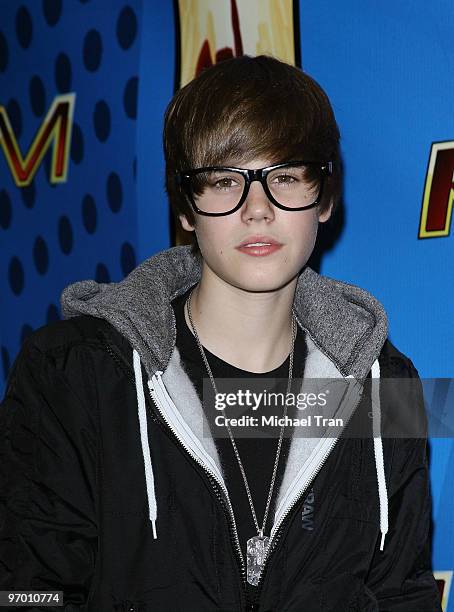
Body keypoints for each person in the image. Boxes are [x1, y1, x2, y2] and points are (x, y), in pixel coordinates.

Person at [0, 55, 441, 611]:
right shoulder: (76, 373)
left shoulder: (385, 388)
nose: (257, 209)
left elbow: (405, 593)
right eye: (224, 180)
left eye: (284, 177)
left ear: (324, 199)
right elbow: (30, 594)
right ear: (187, 207)